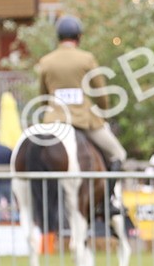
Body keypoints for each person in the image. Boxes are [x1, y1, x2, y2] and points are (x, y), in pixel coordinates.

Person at [35, 15, 127, 175]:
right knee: (118, 154)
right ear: (79, 37)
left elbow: (43, 95)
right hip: (83, 120)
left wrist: (48, 112)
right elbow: (101, 94)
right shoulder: (86, 59)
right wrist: (103, 113)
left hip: (53, 120)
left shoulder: (46, 61)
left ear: (58, 37)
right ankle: (109, 199)